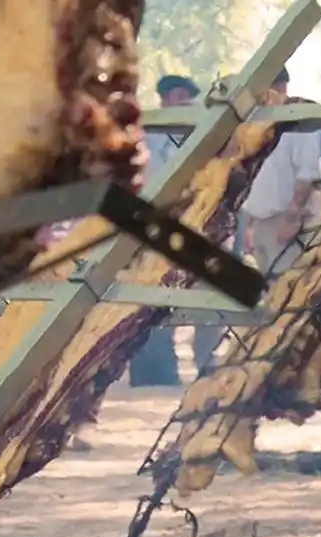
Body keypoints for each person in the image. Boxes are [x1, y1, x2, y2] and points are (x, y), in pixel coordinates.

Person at [129, 74, 202, 387]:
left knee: (189, 294)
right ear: (164, 101)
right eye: (178, 96)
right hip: (150, 225)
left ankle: (196, 366)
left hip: (192, 225)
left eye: (188, 96)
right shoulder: (146, 135)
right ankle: (149, 370)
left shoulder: (202, 134)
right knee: (146, 295)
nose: (184, 101)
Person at [241, 66, 321, 276]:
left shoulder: (299, 124)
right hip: (261, 222)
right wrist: (250, 224)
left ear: (276, 87)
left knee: (286, 287)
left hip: (283, 223)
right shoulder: (258, 126)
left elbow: (306, 176)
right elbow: (254, 178)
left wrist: (290, 221)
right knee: (268, 289)